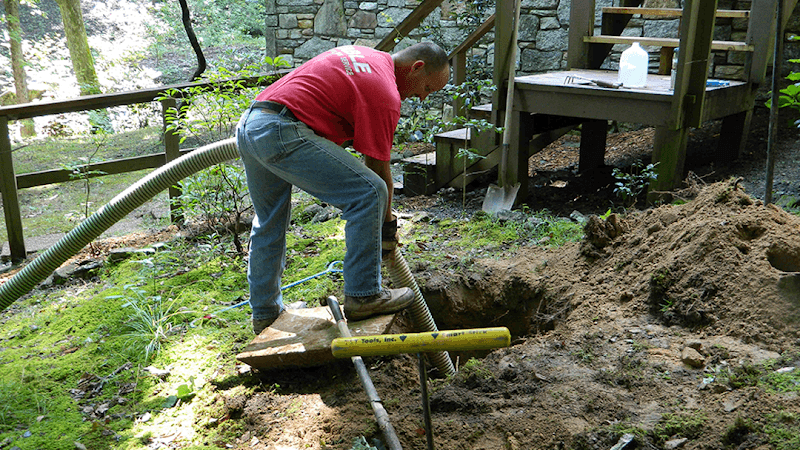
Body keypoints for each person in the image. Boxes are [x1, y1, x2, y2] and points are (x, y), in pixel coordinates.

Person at [236, 42, 451, 334]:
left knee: (269, 222)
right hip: (282, 131)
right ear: (417, 68)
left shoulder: (365, 56)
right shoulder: (385, 92)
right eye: (427, 88)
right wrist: (387, 230)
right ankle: (364, 295)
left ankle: (265, 313)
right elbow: (377, 169)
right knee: (370, 192)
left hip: (252, 125)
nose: (423, 97)